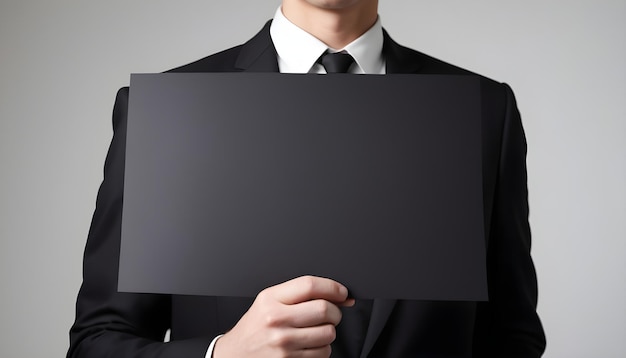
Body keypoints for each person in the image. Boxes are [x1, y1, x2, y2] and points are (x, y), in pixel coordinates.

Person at [67, 0, 546, 357]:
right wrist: (221, 355)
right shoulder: (170, 115)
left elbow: (512, 336)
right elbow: (97, 342)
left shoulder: (483, 111)